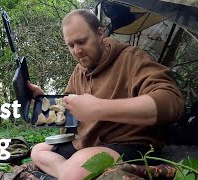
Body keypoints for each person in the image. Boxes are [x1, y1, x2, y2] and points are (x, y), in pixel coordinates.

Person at [27, 9, 184, 180]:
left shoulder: (132, 58)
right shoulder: (79, 71)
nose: (77, 51)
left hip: (129, 144)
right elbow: (67, 113)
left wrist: (99, 108)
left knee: (75, 169)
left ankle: (71, 172)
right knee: (38, 151)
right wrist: (41, 102)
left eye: (82, 41)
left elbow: (171, 102)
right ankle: (70, 172)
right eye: (71, 45)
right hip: (89, 144)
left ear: (100, 33)